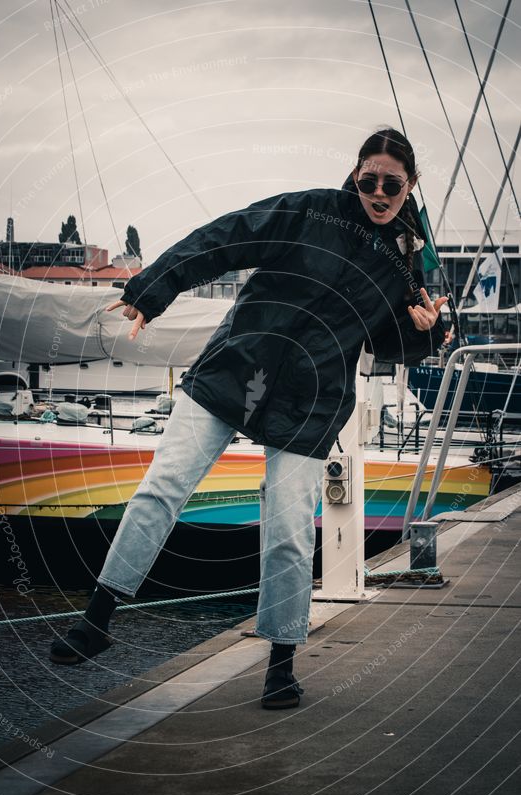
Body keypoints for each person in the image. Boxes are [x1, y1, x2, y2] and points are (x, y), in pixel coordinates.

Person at [50, 126, 447, 709]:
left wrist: (425, 333)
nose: (380, 192)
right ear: (355, 174)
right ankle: (97, 621)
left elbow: (387, 342)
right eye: (370, 179)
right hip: (236, 370)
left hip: (310, 403)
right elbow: (226, 237)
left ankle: (280, 667)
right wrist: (152, 289)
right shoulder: (309, 211)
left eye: (393, 182)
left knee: (288, 532)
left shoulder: (402, 262)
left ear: (411, 186)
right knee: (161, 489)